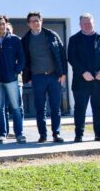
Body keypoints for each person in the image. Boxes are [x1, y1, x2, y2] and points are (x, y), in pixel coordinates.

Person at [21, 12, 67, 143]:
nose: (36, 23)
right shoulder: (26, 40)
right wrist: (27, 76)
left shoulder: (52, 35)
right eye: (33, 21)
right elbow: (24, 59)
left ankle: (56, 134)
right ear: (28, 24)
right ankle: (43, 135)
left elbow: (62, 54)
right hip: (37, 77)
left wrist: (63, 74)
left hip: (54, 76)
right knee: (40, 108)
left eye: (38, 20)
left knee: (55, 107)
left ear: (42, 21)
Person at [68, 13, 100, 143]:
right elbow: (72, 58)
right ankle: (79, 135)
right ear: (80, 25)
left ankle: (99, 134)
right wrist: (83, 72)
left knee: (99, 108)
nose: (87, 25)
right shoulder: (74, 39)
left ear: (94, 23)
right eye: (84, 23)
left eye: (89, 23)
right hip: (81, 81)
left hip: (99, 81)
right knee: (80, 108)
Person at [0, 15, 27, 144]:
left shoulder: (15, 40)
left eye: (3, 24)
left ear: (6, 24)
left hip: (12, 79)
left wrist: (16, 71)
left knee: (16, 107)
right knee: (0, 108)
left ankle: (19, 134)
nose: (2, 26)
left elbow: (22, 58)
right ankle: (2, 134)